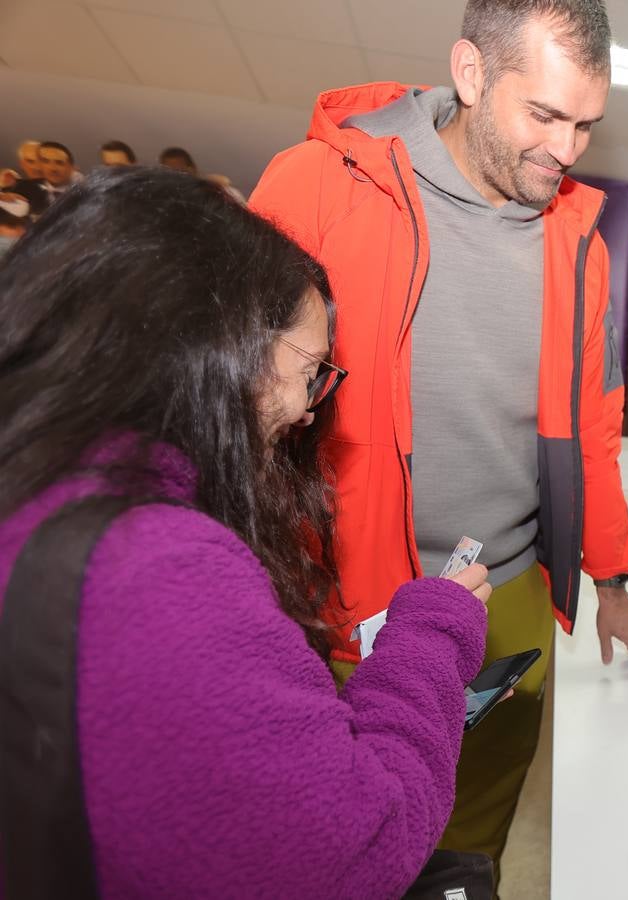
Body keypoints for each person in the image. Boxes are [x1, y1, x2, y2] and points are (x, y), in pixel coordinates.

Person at [0, 166, 495, 895]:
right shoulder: (157, 569)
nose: (306, 408)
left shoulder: (45, 489)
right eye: (310, 370)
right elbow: (360, 845)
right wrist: (433, 636)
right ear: (217, 349)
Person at [250, 0, 628, 864]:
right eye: (543, 115)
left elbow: (593, 426)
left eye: (587, 124)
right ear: (470, 73)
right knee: (334, 841)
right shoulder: (316, 183)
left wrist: (610, 575)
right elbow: (229, 405)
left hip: (507, 598)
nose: (567, 149)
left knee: (471, 838)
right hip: (343, 596)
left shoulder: (579, 238)